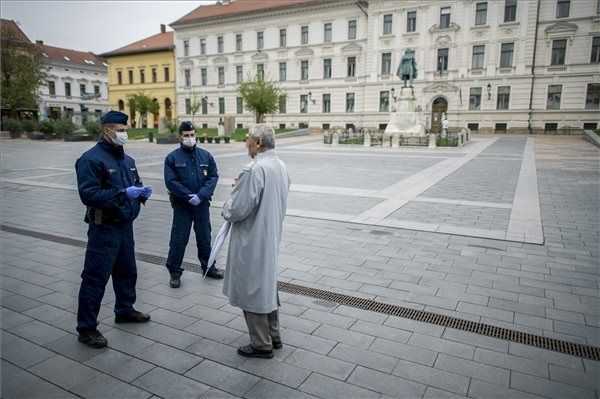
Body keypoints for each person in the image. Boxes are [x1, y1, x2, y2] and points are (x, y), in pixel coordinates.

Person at [75, 110, 152, 348]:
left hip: (125, 226)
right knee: (95, 277)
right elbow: (88, 194)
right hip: (104, 228)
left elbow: (134, 183)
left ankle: (125, 309)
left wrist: (141, 193)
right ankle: (87, 328)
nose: (123, 134)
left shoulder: (127, 161)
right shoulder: (91, 159)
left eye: (125, 130)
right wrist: (122, 194)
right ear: (106, 130)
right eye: (119, 130)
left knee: (127, 271)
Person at [222, 124, 290, 359]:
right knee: (267, 283)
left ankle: (261, 343)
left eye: (248, 139)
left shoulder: (255, 168)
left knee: (252, 287)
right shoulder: (280, 166)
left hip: (252, 238)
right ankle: (274, 334)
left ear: (258, 143)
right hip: (270, 235)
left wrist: (227, 204)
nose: (246, 143)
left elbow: (238, 209)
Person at [164, 121, 222, 288]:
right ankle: (174, 272)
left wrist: (201, 195)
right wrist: (187, 195)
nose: (190, 138)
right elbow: (171, 181)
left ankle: (208, 267)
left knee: (204, 236)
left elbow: (213, 177)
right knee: (179, 238)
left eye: (192, 135)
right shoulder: (172, 158)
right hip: (182, 205)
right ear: (180, 137)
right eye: (186, 135)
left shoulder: (206, 156)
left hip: (201, 204)